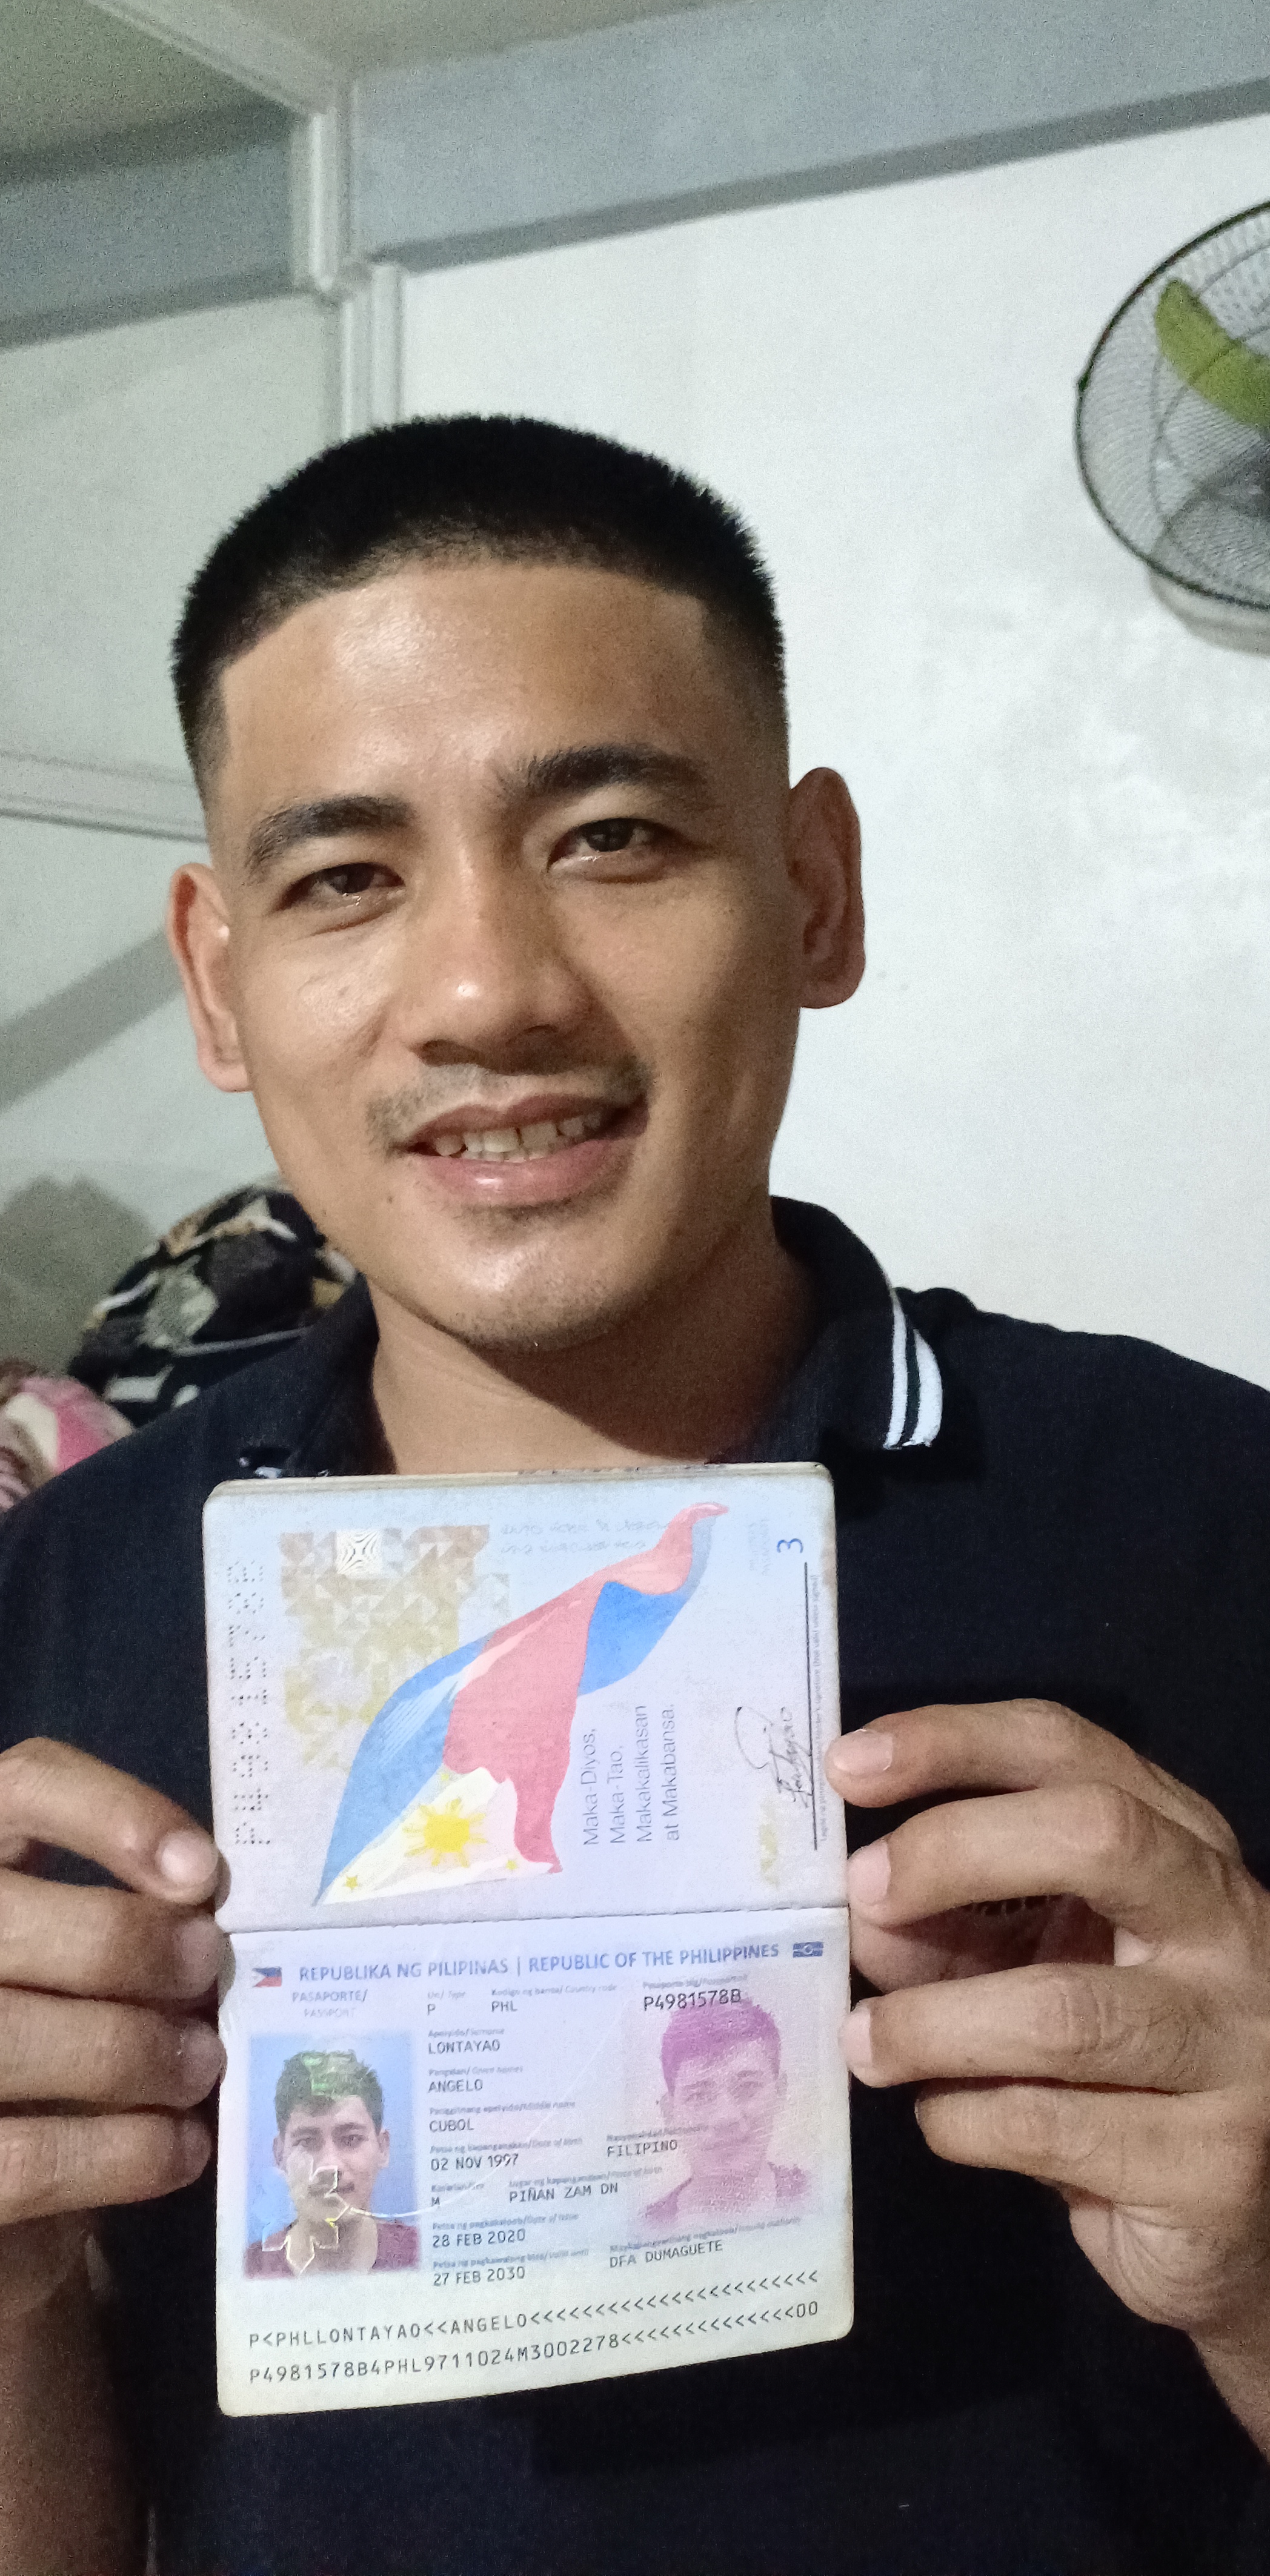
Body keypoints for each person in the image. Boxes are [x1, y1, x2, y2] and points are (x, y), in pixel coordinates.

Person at [0, 415, 1266, 2575]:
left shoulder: (1210, 1516)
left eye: (607, 835)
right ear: (216, 978)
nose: (486, 990)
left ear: (811, 891)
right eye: (345, 878)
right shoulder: (60, 1604)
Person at [244, 2049, 417, 2277]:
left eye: (351, 2139)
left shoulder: (423, 2257)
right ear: (279, 2156)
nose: (330, 2166)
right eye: (307, 2142)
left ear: (383, 2148)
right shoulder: (247, 2273)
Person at [642, 2001, 809, 2231]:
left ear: (779, 2092)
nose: (725, 2117)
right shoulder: (646, 2228)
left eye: (748, 2087)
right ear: (669, 2113)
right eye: (698, 2096)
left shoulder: (822, 2195)